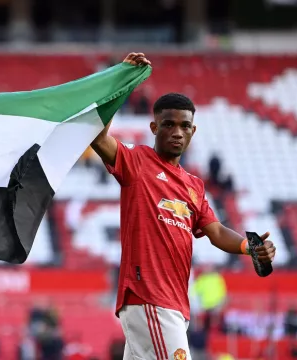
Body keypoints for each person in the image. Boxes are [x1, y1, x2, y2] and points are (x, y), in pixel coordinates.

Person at [90, 53, 277, 360]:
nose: (177, 131)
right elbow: (98, 137)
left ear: (193, 130)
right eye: (168, 124)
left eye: (184, 125)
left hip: (174, 303)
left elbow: (214, 230)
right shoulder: (137, 161)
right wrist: (120, 82)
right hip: (150, 297)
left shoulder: (194, 185)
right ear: (153, 127)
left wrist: (248, 246)